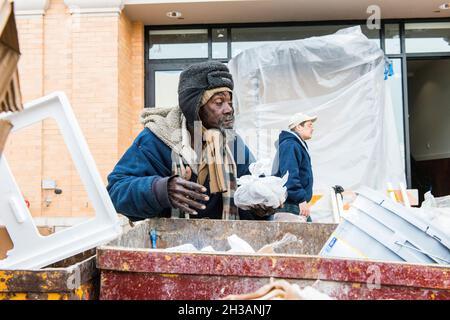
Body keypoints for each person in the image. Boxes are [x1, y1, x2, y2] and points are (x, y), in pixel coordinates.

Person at [107, 61, 274, 221]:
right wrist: (160, 190)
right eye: (219, 102)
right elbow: (116, 191)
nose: (229, 109)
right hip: (170, 246)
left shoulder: (233, 143)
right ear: (194, 106)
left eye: (230, 102)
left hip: (222, 244)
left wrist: (260, 205)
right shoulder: (156, 139)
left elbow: (250, 189)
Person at [273, 112, 317, 222]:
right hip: (291, 204)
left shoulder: (295, 145)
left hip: (294, 203)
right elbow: (289, 175)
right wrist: (301, 200)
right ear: (298, 127)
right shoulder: (290, 145)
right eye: (309, 125)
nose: (313, 129)